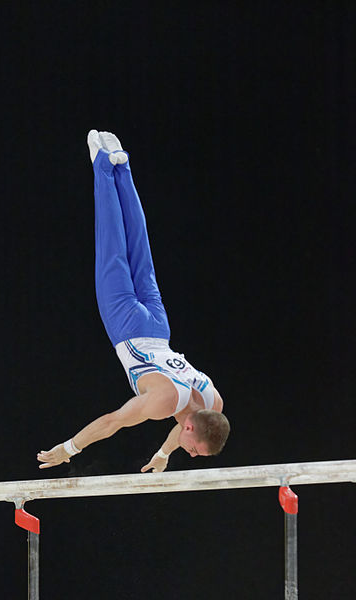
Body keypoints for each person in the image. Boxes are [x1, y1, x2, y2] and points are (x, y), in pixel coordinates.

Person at [37, 130, 230, 473]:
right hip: (127, 325)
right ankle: (102, 165)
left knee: (140, 245)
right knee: (113, 244)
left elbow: (182, 426)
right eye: (196, 451)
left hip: (158, 326)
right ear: (190, 428)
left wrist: (163, 453)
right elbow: (113, 421)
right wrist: (69, 448)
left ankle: (121, 166)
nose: (194, 455)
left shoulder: (212, 402)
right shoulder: (162, 402)